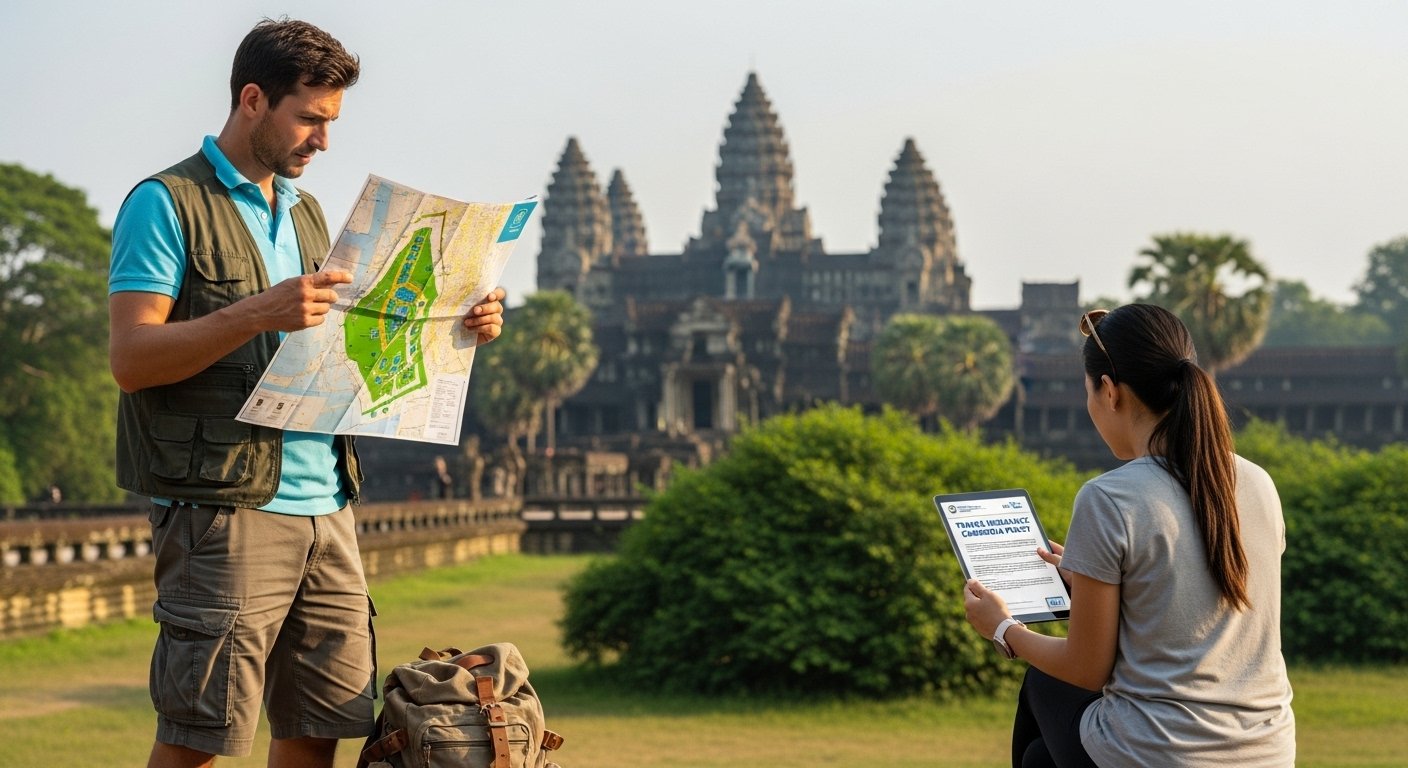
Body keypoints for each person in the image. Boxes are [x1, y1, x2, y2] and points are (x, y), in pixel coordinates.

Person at [106, 19, 507, 768]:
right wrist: (257, 310)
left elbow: (347, 341)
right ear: (252, 99)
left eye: (331, 122)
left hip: (327, 502)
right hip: (225, 509)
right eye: (310, 117)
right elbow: (131, 358)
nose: (323, 140)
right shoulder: (166, 204)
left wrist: (461, 322)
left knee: (317, 728)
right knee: (198, 736)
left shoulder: (307, 213)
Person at [963, 304, 1295, 767]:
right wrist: (1090, 579)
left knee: (1046, 683)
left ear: (1109, 391)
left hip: (1165, 754)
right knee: (1042, 759)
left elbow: (1086, 668)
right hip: (1266, 749)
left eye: (1088, 392)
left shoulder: (1110, 497)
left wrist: (1002, 628)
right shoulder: (1258, 483)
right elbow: (1193, 606)